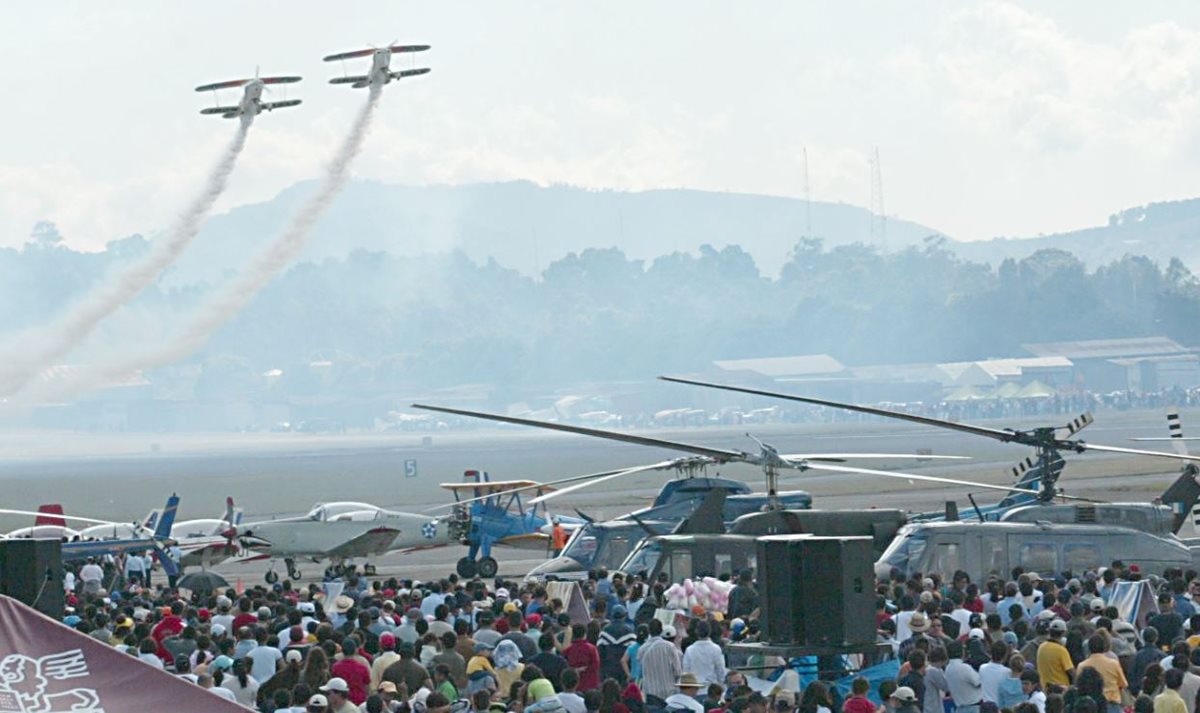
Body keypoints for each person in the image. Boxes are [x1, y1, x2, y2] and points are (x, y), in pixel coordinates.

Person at [1076, 634, 1128, 713]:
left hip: (1089, 706)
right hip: (1112, 704)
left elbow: (1079, 686)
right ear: (1104, 647)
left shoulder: (1082, 666)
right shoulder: (1113, 663)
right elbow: (1124, 684)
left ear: (1089, 648)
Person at [1038, 621, 1074, 689]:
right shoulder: (1061, 650)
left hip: (1045, 688)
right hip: (1061, 688)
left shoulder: (1041, 647)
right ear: (1063, 633)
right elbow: (1071, 671)